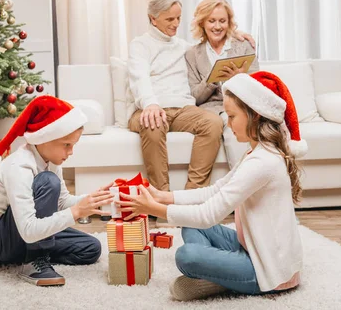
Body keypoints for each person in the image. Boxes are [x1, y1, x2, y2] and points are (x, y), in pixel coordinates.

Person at [118, 71, 308, 301]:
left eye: (232, 116)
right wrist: (162, 196)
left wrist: (152, 209)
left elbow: (209, 214)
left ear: (255, 115)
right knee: (191, 226)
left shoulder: (262, 162)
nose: (228, 123)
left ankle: (218, 280)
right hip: (251, 246)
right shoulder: (257, 151)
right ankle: (222, 276)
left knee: (187, 255)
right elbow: (215, 190)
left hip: (269, 270)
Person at [0, 95, 114, 287]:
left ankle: (19, 255)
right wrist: (77, 212)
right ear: (45, 138)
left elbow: (62, 203)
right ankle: (33, 259)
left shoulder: (51, 161)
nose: (71, 152)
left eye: (73, 145)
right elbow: (29, 229)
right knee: (48, 182)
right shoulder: (20, 166)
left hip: (23, 230)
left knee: (90, 248)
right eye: (66, 145)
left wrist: (92, 200)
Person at [127, 0, 254, 194]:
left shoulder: (184, 48)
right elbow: (139, 77)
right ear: (153, 18)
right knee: (153, 122)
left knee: (213, 123)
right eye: (170, 19)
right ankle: (161, 198)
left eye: (178, 18)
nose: (176, 24)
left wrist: (235, 34)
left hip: (183, 109)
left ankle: (192, 195)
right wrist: (150, 104)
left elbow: (215, 39)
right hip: (148, 108)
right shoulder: (140, 45)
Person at [185, 0, 260, 168]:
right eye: (211, 21)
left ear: (229, 22)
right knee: (231, 122)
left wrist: (240, 78)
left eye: (222, 21)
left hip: (241, 104)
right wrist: (211, 79)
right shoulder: (192, 54)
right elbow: (195, 96)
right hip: (212, 110)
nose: (217, 26)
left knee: (239, 120)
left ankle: (248, 179)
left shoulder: (243, 45)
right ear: (202, 22)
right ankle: (242, 180)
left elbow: (259, 85)